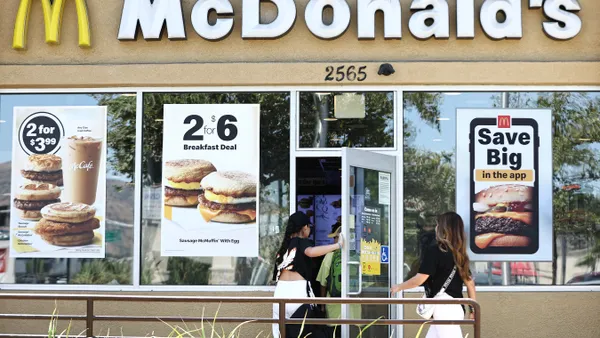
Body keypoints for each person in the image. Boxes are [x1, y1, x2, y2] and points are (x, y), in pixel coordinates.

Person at [390, 212, 477, 338]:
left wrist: (399, 287)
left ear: (443, 228)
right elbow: (470, 284)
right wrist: (473, 310)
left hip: (443, 309)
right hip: (455, 307)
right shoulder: (459, 254)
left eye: (437, 225)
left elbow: (420, 279)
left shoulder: (436, 250)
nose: (435, 228)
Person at [272, 211, 344, 338]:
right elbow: (311, 252)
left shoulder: (283, 247)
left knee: (281, 332)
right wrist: (337, 245)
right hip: (297, 294)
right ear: (305, 227)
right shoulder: (301, 241)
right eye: (309, 227)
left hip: (280, 293)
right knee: (302, 332)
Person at [315, 221, 361, 338]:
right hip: (354, 310)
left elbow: (323, 283)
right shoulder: (357, 257)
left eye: (335, 237)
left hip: (334, 311)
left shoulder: (329, 256)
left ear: (339, 238)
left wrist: (322, 306)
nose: (333, 241)